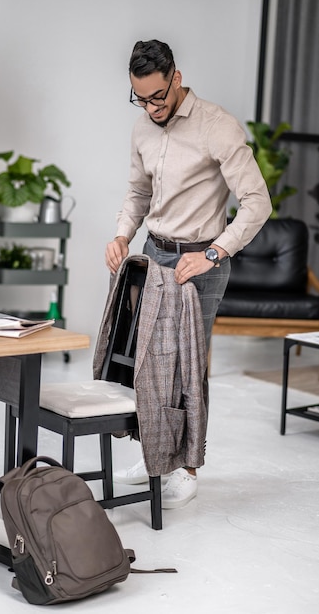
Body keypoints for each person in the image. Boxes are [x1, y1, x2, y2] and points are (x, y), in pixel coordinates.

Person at [106, 39, 272, 510]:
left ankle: (187, 469)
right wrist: (121, 235)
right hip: (152, 255)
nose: (152, 107)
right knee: (145, 363)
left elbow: (257, 204)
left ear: (176, 80)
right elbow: (138, 192)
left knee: (186, 368)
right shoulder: (142, 127)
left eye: (158, 96)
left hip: (199, 263)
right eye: (141, 98)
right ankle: (152, 456)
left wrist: (215, 254)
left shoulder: (216, 126)